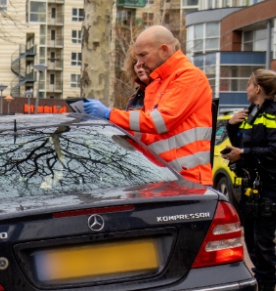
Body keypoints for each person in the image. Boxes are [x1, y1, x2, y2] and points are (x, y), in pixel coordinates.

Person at [83, 25, 213, 184]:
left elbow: (160, 122)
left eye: (143, 55)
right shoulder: (158, 84)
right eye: (137, 58)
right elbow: (146, 134)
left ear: (164, 50)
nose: (139, 63)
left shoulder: (189, 77)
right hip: (167, 179)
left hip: (188, 181)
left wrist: (110, 115)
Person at [222, 69, 276, 291]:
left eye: (248, 84)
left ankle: (267, 289)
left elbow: (275, 151)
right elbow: (241, 144)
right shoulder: (251, 113)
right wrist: (231, 127)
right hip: (251, 184)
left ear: (258, 89)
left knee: (264, 240)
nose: (246, 88)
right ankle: (259, 280)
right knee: (251, 239)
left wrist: (244, 153)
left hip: (271, 184)